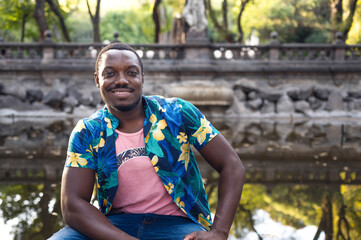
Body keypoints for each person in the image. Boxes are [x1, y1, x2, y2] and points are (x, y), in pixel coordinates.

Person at [49, 43, 246, 240]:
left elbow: (232, 165)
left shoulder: (178, 112)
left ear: (142, 78)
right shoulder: (88, 131)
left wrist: (219, 232)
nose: (121, 80)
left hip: (178, 224)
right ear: (97, 80)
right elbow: (73, 205)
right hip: (116, 224)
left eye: (131, 73)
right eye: (110, 74)